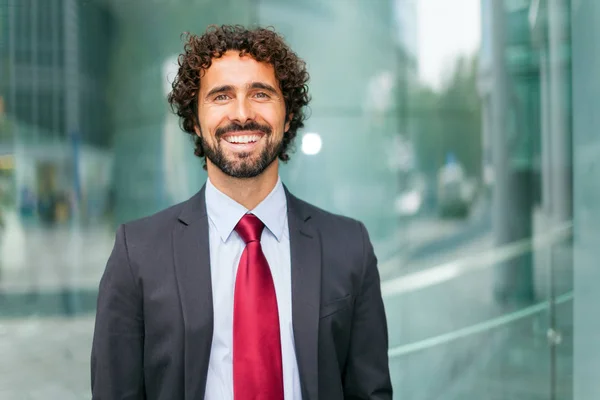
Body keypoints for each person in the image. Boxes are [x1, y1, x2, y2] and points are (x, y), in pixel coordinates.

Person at [91, 25, 392, 400]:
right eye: (221, 96)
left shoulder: (350, 247)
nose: (242, 113)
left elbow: (370, 391)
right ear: (196, 123)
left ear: (287, 116)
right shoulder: (136, 254)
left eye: (261, 94)